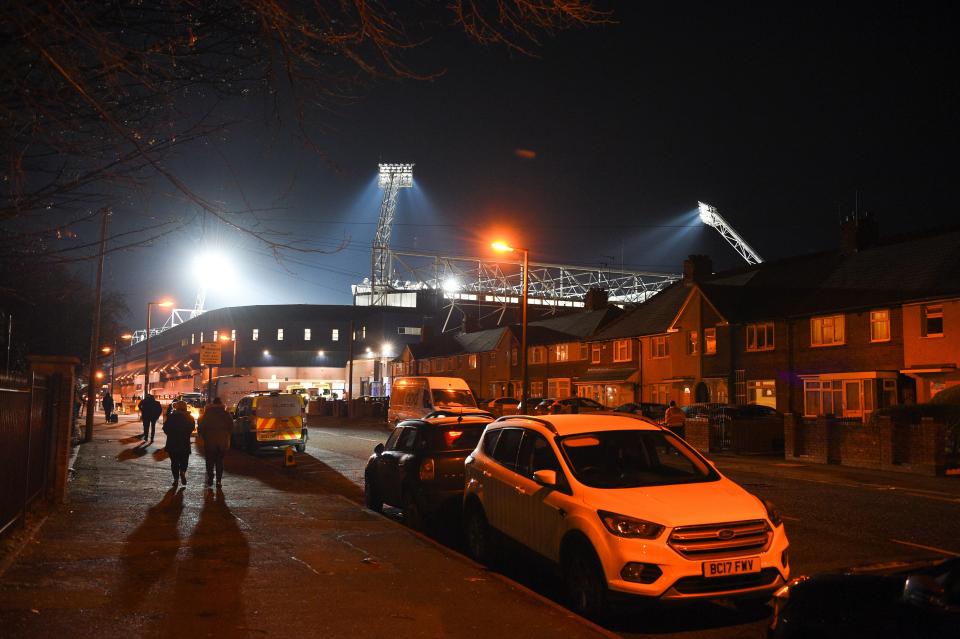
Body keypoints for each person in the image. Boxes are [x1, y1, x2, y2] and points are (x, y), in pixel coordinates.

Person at [198, 397, 233, 487]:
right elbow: (231, 427)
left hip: (210, 441)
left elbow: (201, 426)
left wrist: (203, 436)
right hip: (222, 442)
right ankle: (218, 481)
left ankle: (210, 478)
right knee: (219, 461)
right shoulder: (226, 414)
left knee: (209, 461)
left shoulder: (207, 414)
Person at [162, 401, 195, 486]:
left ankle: (176, 479)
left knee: (174, 462)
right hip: (184, 442)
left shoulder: (172, 416)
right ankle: (183, 471)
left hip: (172, 442)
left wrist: (170, 434)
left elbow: (165, 428)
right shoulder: (190, 417)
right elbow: (192, 428)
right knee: (184, 460)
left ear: (177, 407)